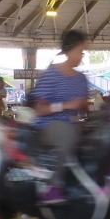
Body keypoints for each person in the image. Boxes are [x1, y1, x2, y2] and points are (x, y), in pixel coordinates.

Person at [31, 30, 90, 188]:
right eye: (79, 52)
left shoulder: (81, 79)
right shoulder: (52, 74)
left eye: (82, 52)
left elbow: (85, 107)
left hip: (74, 124)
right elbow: (39, 109)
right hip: (49, 124)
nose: (81, 56)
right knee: (68, 136)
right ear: (69, 51)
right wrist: (66, 105)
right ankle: (52, 185)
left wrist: (85, 113)